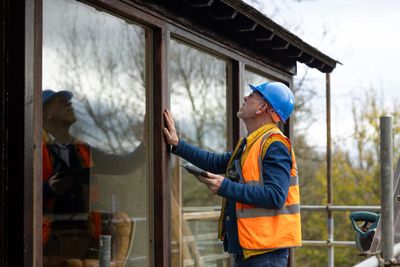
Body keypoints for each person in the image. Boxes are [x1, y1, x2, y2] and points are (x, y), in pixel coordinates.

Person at [163, 82, 301, 267]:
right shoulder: (251, 144)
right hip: (252, 249)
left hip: (265, 255)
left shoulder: (274, 145)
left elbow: (275, 196)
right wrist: (177, 144)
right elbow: (214, 162)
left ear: (262, 107)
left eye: (253, 95)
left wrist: (224, 186)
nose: (246, 97)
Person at [42, 89, 145, 266]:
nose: (68, 104)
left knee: (98, 254)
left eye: (68, 101)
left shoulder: (83, 150)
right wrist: (48, 189)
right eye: (60, 101)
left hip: (86, 240)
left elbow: (125, 165)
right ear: (46, 113)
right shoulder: (33, 147)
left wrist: (148, 140)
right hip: (48, 243)